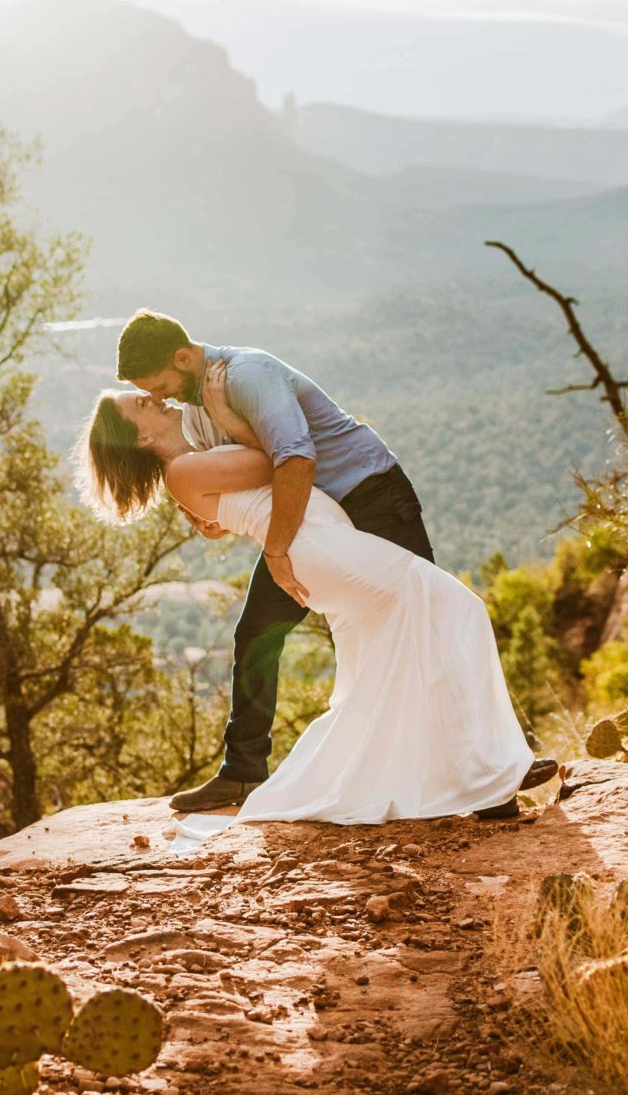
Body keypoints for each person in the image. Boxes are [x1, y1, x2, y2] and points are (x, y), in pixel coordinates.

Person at [83, 318, 555, 822]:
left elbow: (292, 459)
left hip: (368, 497)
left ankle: (488, 771)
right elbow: (222, 489)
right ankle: (245, 768)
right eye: (144, 399)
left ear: (180, 358)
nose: (159, 399)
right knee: (263, 630)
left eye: (154, 388)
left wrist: (275, 547)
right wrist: (249, 530)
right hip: (307, 531)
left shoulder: (245, 376)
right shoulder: (198, 410)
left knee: (428, 627)